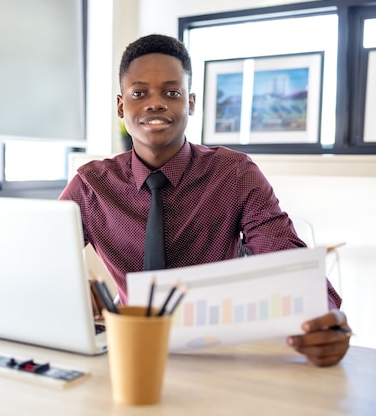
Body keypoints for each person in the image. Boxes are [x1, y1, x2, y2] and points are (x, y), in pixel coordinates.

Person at [59, 34, 351, 367]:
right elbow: (40, 256)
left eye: (172, 92)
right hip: (131, 349)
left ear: (191, 102)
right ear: (121, 105)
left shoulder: (234, 174)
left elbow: (284, 255)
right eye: (139, 93)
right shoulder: (90, 184)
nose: (155, 103)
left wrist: (325, 317)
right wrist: (70, 292)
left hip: (218, 351)